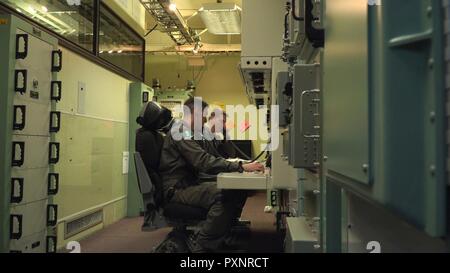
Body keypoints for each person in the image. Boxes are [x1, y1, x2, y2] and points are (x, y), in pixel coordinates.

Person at [158, 97, 265, 252]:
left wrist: (238, 166)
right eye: (203, 116)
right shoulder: (180, 131)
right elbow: (203, 161)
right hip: (178, 189)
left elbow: (212, 158)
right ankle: (201, 245)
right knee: (224, 195)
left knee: (236, 189)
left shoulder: (191, 132)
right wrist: (241, 167)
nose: (205, 120)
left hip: (191, 183)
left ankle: (221, 236)